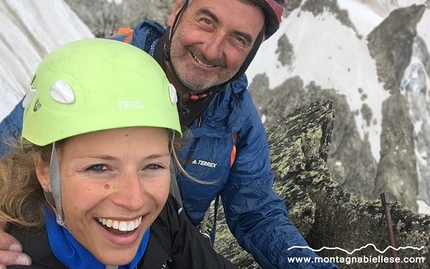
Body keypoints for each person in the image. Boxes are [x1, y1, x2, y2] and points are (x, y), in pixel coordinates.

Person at [0, 0, 338, 268]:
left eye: (239, 39)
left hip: (165, 248)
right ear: (178, 10)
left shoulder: (237, 117)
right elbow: (18, 152)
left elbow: (257, 213)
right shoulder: (95, 73)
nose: (212, 48)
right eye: (206, 20)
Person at [0, 38, 236, 269]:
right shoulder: (18, 255)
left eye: (152, 166)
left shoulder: (164, 217)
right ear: (43, 169)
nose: (135, 201)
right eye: (99, 167)